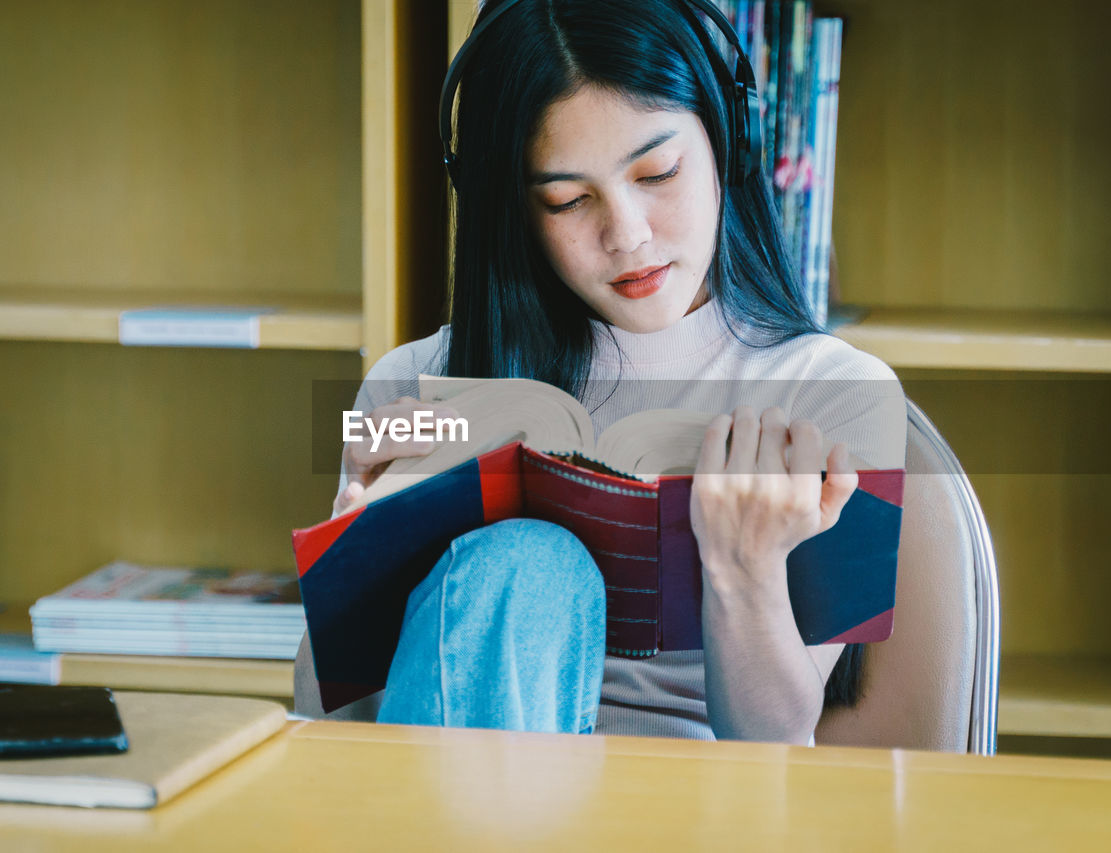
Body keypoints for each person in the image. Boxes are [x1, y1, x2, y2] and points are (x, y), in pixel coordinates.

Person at [295, 0, 905, 744]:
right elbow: (328, 732)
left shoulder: (835, 393)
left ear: (728, 140)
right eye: (568, 199)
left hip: (690, 809)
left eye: (658, 172)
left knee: (530, 562)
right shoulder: (418, 384)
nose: (627, 236)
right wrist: (358, 555)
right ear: (513, 208)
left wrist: (743, 570)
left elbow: (776, 744)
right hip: (446, 793)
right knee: (522, 566)